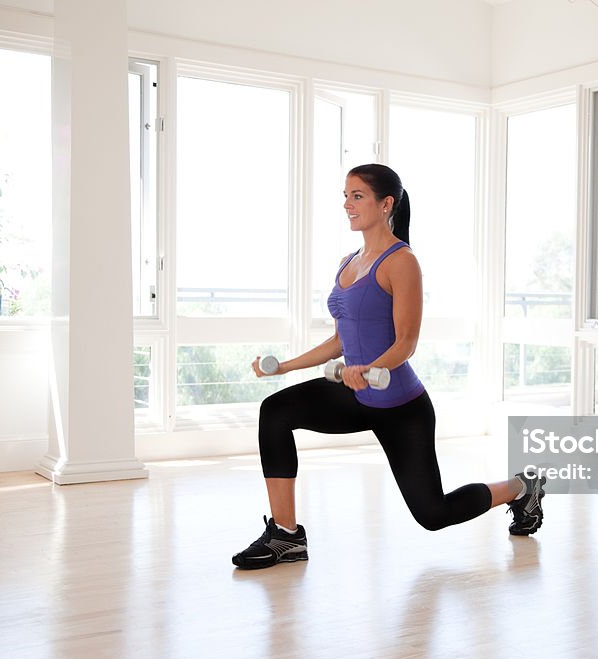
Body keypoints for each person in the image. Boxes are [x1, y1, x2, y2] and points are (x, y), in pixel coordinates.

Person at [232, 164, 546, 570]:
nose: (347, 204)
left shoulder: (402, 262)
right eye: (345, 195)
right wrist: (284, 367)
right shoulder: (348, 262)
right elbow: (340, 341)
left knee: (433, 514)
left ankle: (522, 487)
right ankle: (286, 536)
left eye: (357, 196)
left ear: (386, 204)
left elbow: (406, 342)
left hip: (400, 405)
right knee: (274, 412)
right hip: (356, 393)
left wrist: (364, 370)